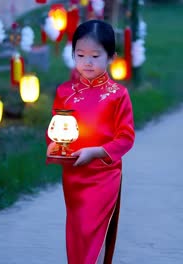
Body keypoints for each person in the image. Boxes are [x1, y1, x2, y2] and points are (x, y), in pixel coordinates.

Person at [46, 20, 135, 264]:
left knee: (93, 231)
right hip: (74, 174)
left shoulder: (118, 95)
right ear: (72, 53)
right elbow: (56, 127)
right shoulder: (65, 91)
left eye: (95, 56)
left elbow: (126, 138)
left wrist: (96, 152)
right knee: (76, 230)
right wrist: (53, 144)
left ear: (111, 57)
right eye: (80, 54)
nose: (87, 62)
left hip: (104, 174)